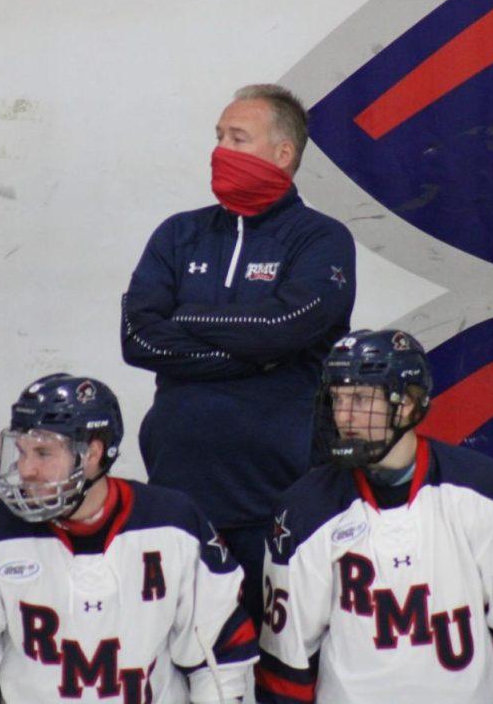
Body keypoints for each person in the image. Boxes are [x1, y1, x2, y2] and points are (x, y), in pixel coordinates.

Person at [121, 83, 356, 622]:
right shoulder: (178, 235)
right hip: (180, 495)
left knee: (285, 662)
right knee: (191, 659)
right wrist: (255, 352)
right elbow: (137, 338)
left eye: (238, 137)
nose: (221, 150)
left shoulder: (321, 239)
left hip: (282, 497)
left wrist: (185, 320)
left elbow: (285, 326)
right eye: (219, 137)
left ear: (283, 154)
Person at [0, 374, 256, 703]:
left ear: (92, 453)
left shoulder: (173, 523)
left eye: (43, 453)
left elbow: (218, 650)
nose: (27, 469)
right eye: (22, 451)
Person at [256, 330, 493, 703]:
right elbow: (287, 666)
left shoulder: (486, 490)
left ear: (409, 405)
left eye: (361, 398)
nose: (344, 415)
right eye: (338, 398)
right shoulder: (304, 511)